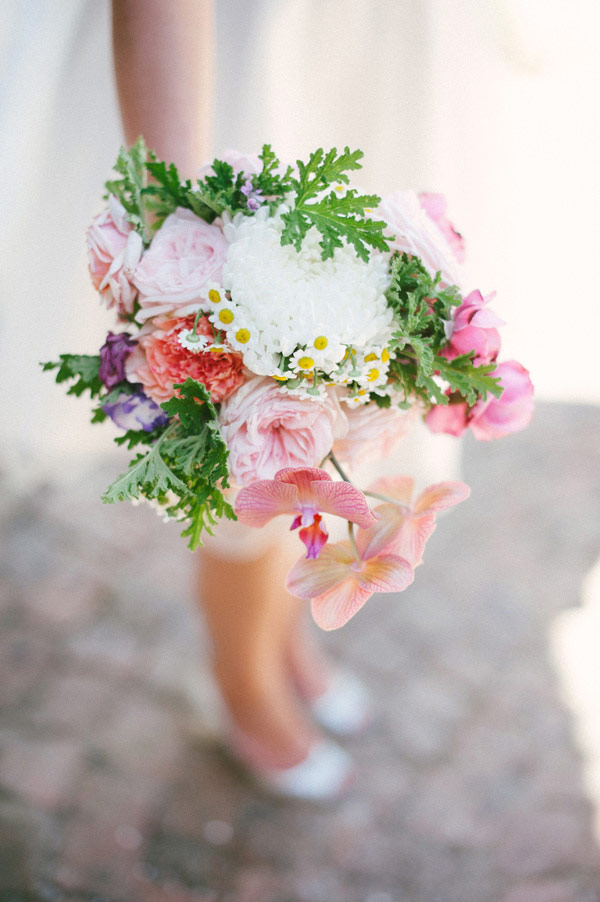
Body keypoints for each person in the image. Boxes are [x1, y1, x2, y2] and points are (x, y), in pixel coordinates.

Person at [112, 0, 368, 799]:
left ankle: (277, 640)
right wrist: (180, 239)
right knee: (245, 475)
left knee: (352, 424)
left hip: (368, 59)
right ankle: (239, 681)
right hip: (239, 74)